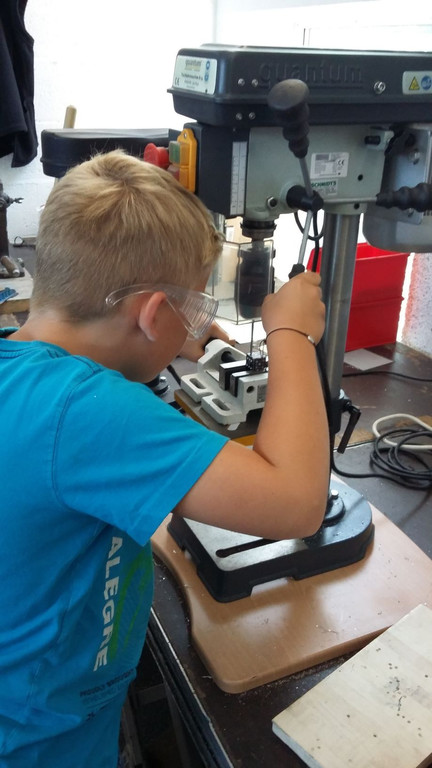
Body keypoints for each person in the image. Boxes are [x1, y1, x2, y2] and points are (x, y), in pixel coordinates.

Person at [0, 150, 329, 768]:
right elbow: (298, 503)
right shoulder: (86, 411)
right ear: (152, 314)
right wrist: (290, 333)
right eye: (195, 309)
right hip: (42, 746)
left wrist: (183, 332)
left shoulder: (22, 370)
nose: (197, 325)